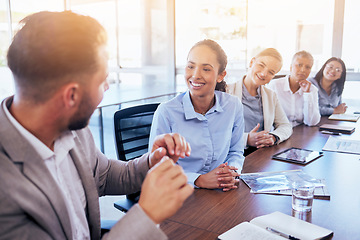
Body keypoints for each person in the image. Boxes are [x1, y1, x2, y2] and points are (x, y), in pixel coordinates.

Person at [0, 11, 194, 240]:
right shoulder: (6, 188)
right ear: (71, 96)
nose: (108, 87)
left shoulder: (73, 129)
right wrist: (146, 215)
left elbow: (103, 174)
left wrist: (152, 161)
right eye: (103, 80)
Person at [149, 39, 244, 191]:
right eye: (191, 66)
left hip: (221, 190)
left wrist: (231, 172)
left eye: (206, 69)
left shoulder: (233, 105)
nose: (195, 75)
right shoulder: (166, 112)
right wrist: (199, 180)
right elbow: (157, 168)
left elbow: (236, 151)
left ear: (221, 75)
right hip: (178, 191)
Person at [226, 48, 292, 155]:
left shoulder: (271, 95)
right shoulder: (226, 91)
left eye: (271, 72)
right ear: (252, 62)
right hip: (231, 154)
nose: (264, 74)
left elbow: (285, 125)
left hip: (260, 155)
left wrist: (274, 137)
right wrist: (246, 139)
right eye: (261, 65)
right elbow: (216, 132)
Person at [267, 51, 321, 127]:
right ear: (291, 67)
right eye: (299, 65)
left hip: (300, 133)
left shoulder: (312, 89)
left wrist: (307, 94)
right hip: (279, 132)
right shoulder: (274, 85)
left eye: (307, 67)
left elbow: (312, 122)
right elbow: (267, 117)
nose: (303, 70)